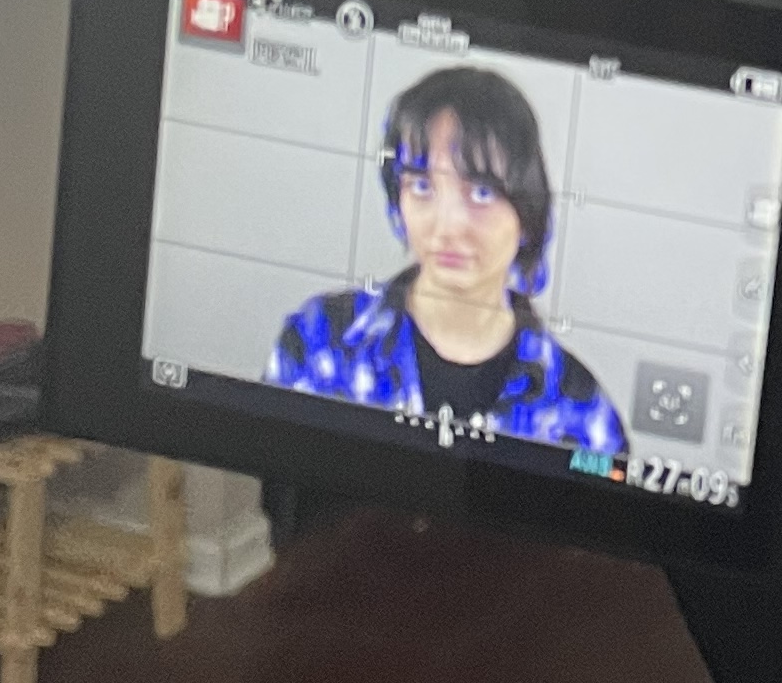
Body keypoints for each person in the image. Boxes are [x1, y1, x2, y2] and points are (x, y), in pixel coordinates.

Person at [268, 61, 626, 456]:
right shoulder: (320, 341)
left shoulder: (580, 409)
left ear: (527, 214)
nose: (449, 225)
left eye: (482, 192)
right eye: (422, 186)